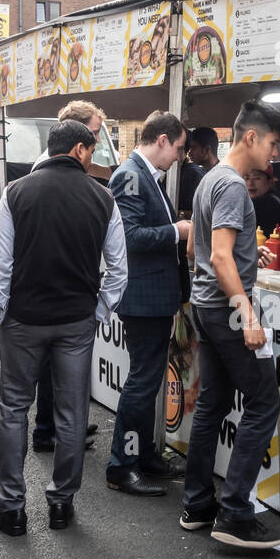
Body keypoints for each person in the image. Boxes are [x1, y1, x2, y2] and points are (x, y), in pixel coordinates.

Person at [0, 120, 128, 536]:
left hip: (23, 319)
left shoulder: (16, 192)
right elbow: (119, 269)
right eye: (93, 148)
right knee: (71, 414)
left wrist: (3, 312)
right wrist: (98, 313)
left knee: (14, 409)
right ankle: (61, 503)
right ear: (80, 150)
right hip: (76, 321)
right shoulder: (104, 198)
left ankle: (11, 507)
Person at [181, 101, 280, 550]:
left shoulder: (210, 180)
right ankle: (236, 512)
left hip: (207, 307)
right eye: (272, 143)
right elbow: (219, 256)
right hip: (226, 312)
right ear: (250, 138)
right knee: (264, 401)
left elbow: (198, 251)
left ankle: (198, 504)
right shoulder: (233, 188)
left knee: (213, 403)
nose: (275, 154)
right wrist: (246, 313)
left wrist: (249, 254)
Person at [105, 111, 192, 497]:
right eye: (178, 148)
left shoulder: (143, 175)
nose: (179, 157)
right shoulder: (130, 175)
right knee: (141, 384)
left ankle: (143, 455)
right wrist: (178, 230)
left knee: (148, 381)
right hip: (143, 298)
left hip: (154, 296)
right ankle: (122, 465)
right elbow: (130, 236)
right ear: (161, 140)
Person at [29, 100, 109, 451]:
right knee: (53, 367)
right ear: (77, 139)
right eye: (92, 135)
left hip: (60, 285)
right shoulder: (45, 171)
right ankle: (49, 430)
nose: (96, 145)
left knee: (64, 368)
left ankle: (63, 426)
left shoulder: (59, 169)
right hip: (54, 286)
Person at [244, 164, 280, 238]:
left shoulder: (272, 204)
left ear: (270, 182)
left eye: (257, 178)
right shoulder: (245, 202)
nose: (250, 183)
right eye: (246, 178)